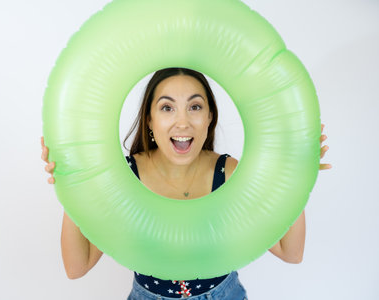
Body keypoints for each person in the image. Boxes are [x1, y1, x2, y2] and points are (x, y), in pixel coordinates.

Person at [41, 67, 332, 299]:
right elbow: (77, 267)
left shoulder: (229, 174)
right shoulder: (125, 178)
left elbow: (290, 253)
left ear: (209, 118)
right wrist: (73, 184)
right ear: (150, 121)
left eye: (194, 107)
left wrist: (296, 175)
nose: (183, 122)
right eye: (167, 108)